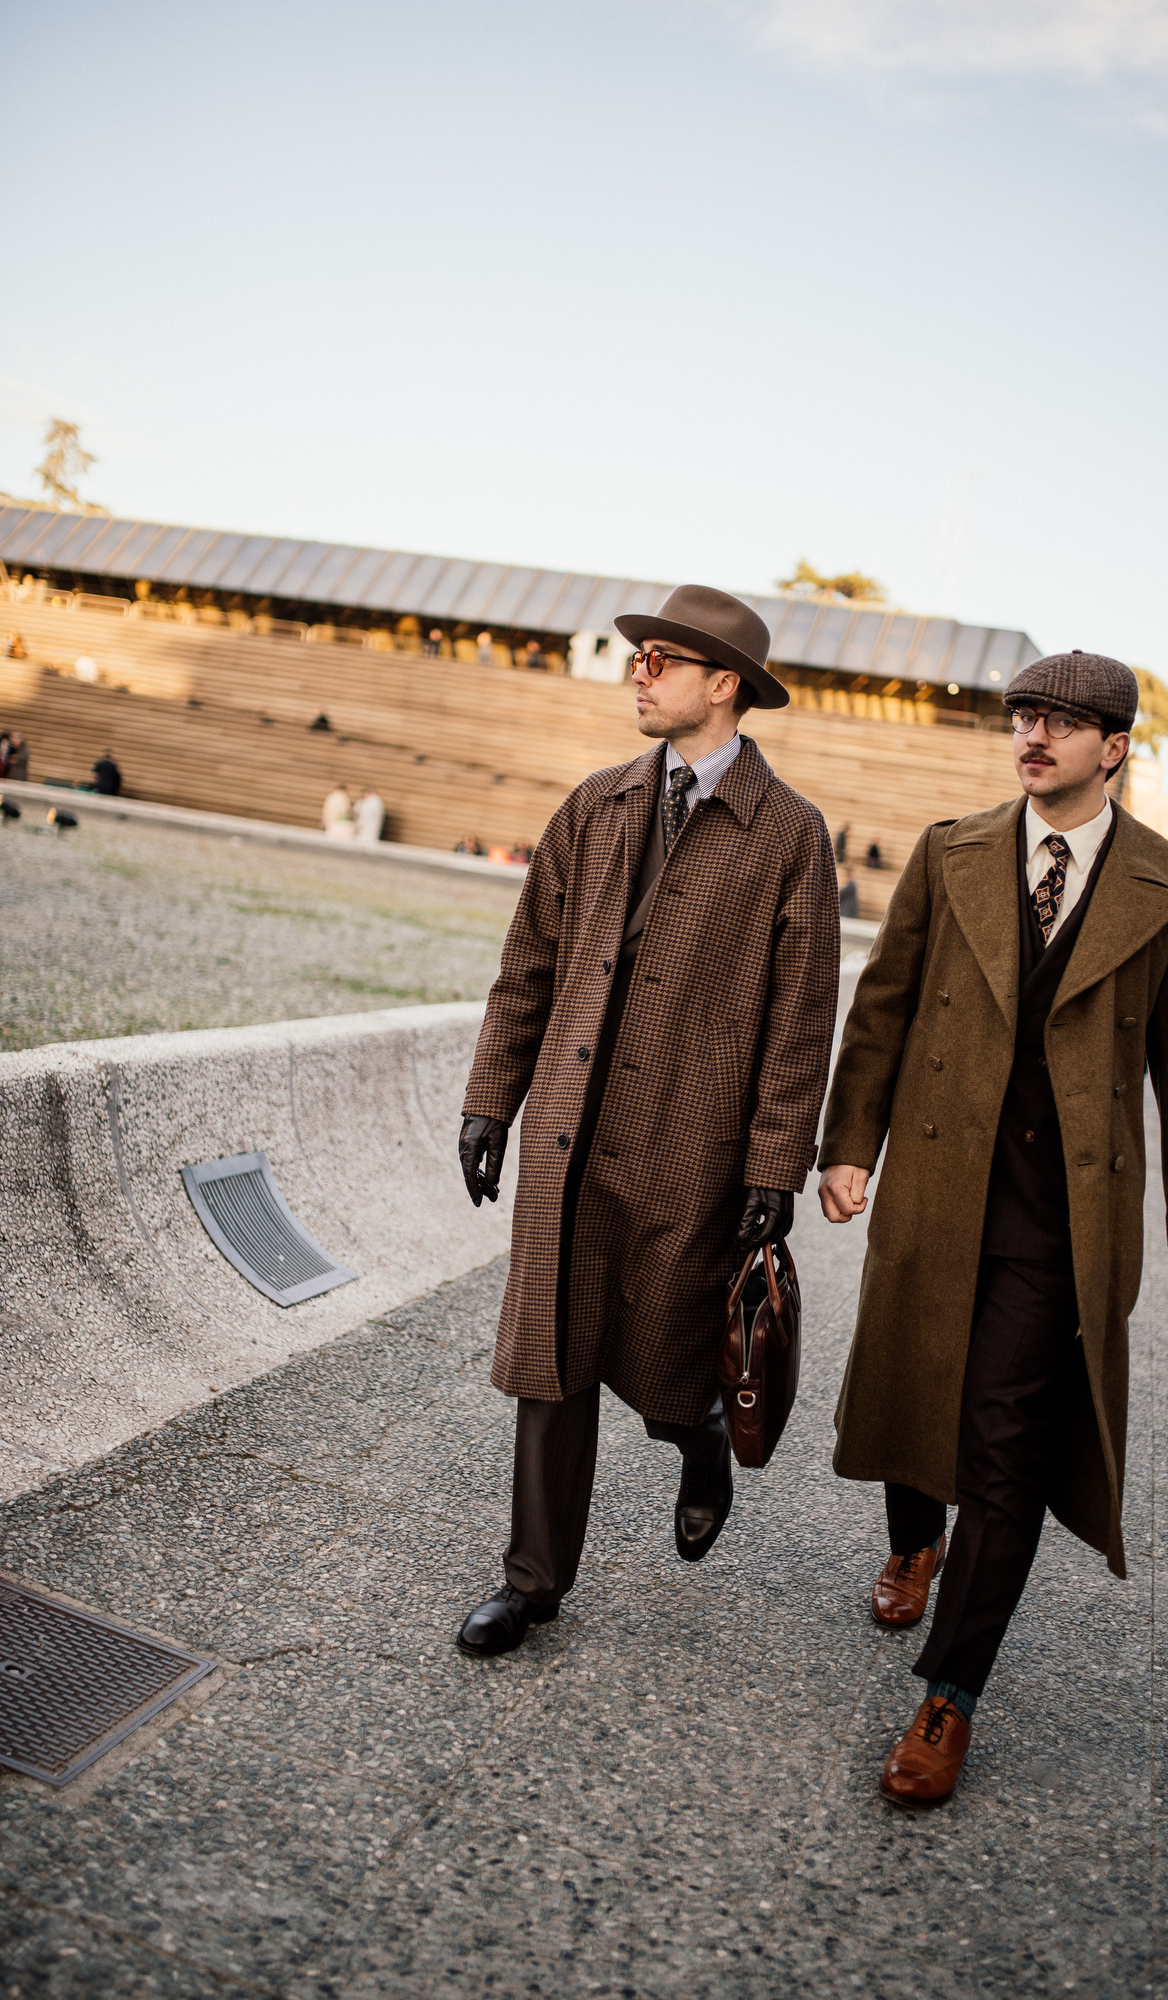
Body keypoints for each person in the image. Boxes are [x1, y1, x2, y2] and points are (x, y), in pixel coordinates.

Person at [819, 649, 1168, 1806]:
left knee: (1004, 1443)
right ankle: (913, 1536)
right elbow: (884, 1006)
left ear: (1115, 747)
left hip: (1062, 1216)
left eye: (1061, 720)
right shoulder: (949, 847)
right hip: (941, 1177)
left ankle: (948, 1691)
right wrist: (848, 1143)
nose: (1032, 734)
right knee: (912, 1381)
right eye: (1022, 715)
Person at [454, 584, 840, 1657]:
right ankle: (531, 1582)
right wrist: (493, 1098)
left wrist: (775, 1160)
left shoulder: (792, 836)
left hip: (693, 1142)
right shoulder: (596, 802)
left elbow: (801, 1019)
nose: (639, 670)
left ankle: (700, 1434)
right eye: (639, 655)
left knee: (668, 1353)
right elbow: (526, 965)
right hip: (570, 1133)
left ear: (723, 685)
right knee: (553, 1355)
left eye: (663, 658)